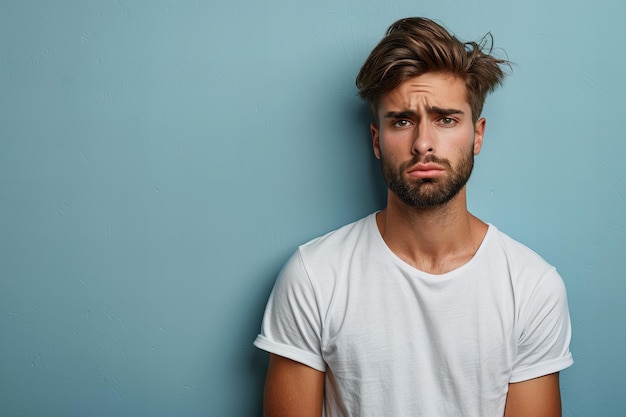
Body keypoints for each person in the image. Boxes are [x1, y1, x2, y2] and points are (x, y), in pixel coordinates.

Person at [254, 17, 573, 417]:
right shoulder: (315, 276)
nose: (423, 143)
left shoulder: (531, 286)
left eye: (446, 119)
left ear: (477, 135)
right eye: (402, 121)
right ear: (376, 140)